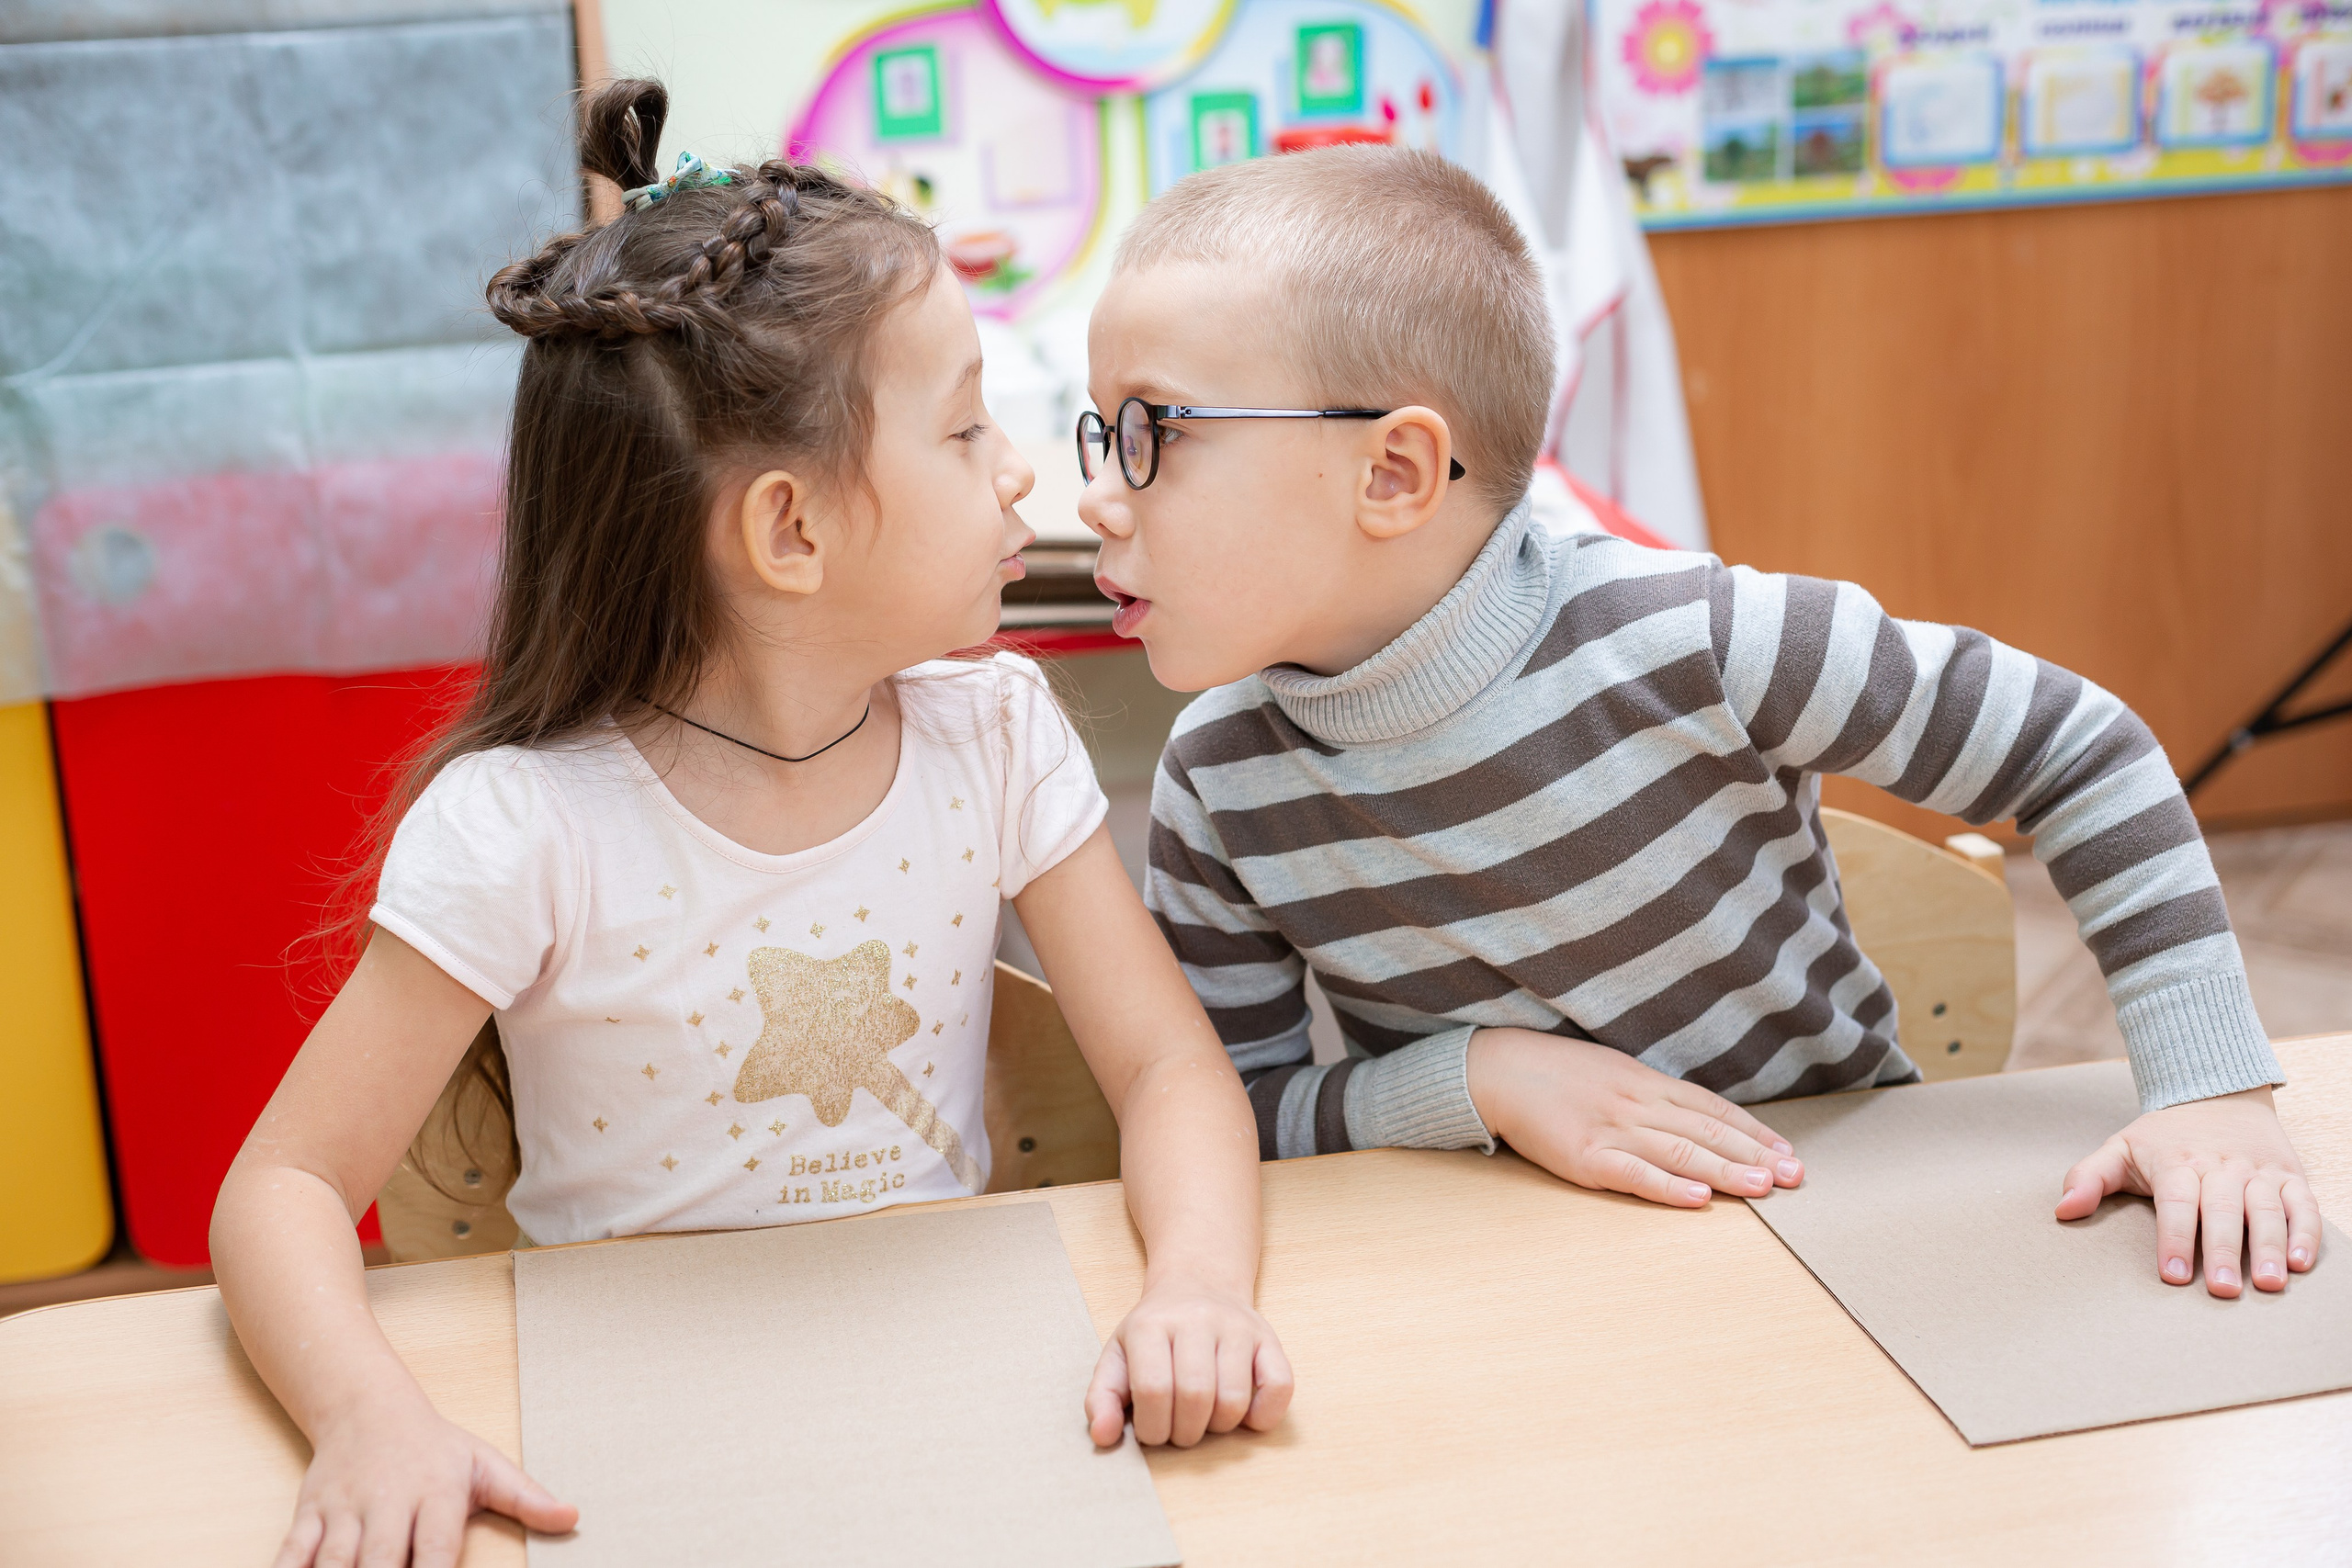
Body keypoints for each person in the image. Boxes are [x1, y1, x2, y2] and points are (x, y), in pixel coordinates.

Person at [210, 79, 1290, 1568]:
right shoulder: (525, 829)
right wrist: (366, 1414)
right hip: (634, 1443)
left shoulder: (995, 736)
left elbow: (1169, 1064)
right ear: (790, 531)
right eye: (967, 429)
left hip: (955, 1394)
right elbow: (280, 1189)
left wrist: (1202, 1290)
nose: (1019, 469)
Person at [1078, 144, 2319, 1305]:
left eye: (1152, 434)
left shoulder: (1699, 635)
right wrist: (1477, 1081)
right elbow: (1239, 1116)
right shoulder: (1215, 782)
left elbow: (2079, 751)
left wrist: (2211, 1084)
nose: (1097, 500)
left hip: (1836, 1209)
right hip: (1502, 1257)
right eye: (1100, 433)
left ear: (1394, 474)